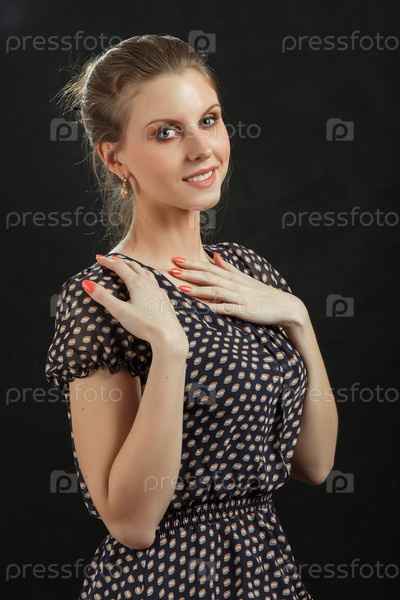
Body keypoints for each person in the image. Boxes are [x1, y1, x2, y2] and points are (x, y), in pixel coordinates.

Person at [45, 34, 338, 600]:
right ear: (115, 158)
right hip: (161, 580)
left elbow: (317, 464)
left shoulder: (248, 273)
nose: (202, 149)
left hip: (265, 570)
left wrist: (300, 320)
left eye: (209, 120)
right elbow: (131, 524)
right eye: (166, 132)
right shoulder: (102, 297)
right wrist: (170, 349)